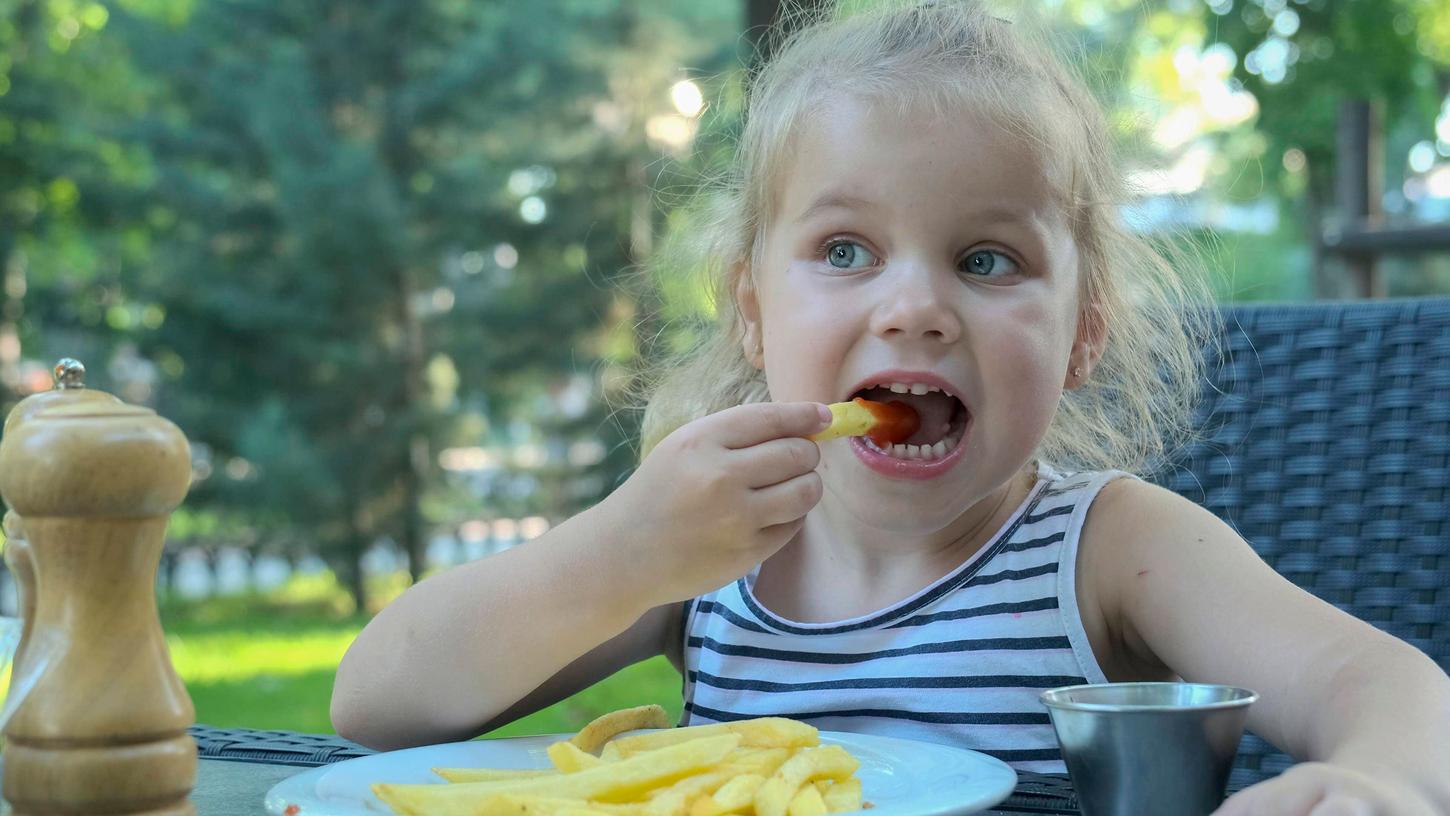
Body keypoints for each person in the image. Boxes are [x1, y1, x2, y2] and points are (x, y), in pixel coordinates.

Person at [331, 2, 1450, 813]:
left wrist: (1376, 777)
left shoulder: (1110, 549)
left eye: (986, 257)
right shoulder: (700, 553)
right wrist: (622, 552)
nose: (913, 306)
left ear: (1084, 332)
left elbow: (1384, 681)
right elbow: (378, 706)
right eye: (845, 249)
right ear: (755, 310)